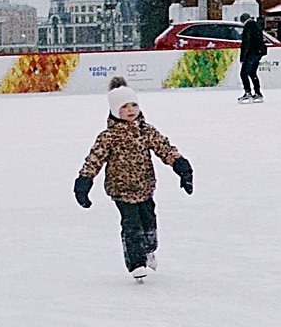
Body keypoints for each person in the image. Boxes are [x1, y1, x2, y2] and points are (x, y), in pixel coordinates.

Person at [74, 77, 194, 281]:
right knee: (131, 225)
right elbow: (94, 160)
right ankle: (136, 263)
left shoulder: (146, 131)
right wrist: (83, 183)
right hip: (120, 190)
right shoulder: (108, 136)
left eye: (134, 105)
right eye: (124, 107)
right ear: (114, 110)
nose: (130, 110)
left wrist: (182, 168)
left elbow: (164, 149)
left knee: (149, 223)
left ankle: (148, 251)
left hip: (145, 187)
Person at [238, 16, 267, 104]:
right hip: (258, 53)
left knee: (243, 73)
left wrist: (243, 56)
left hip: (251, 53)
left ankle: (248, 93)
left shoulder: (248, 27)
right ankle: (258, 93)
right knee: (252, 73)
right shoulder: (257, 25)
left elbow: (246, 42)